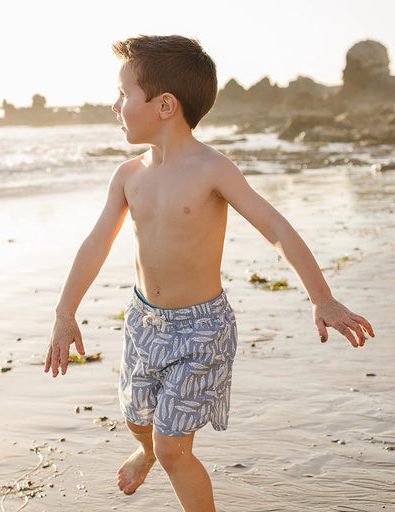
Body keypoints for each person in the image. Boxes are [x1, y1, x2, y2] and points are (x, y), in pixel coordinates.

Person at [44, 35, 374, 512]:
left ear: (164, 105)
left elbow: (275, 227)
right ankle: (144, 450)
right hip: (144, 322)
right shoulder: (127, 175)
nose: (114, 104)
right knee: (138, 419)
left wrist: (321, 297)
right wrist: (64, 312)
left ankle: (160, 456)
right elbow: (96, 245)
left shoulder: (212, 170)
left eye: (123, 93)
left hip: (202, 330)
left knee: (174, 448)